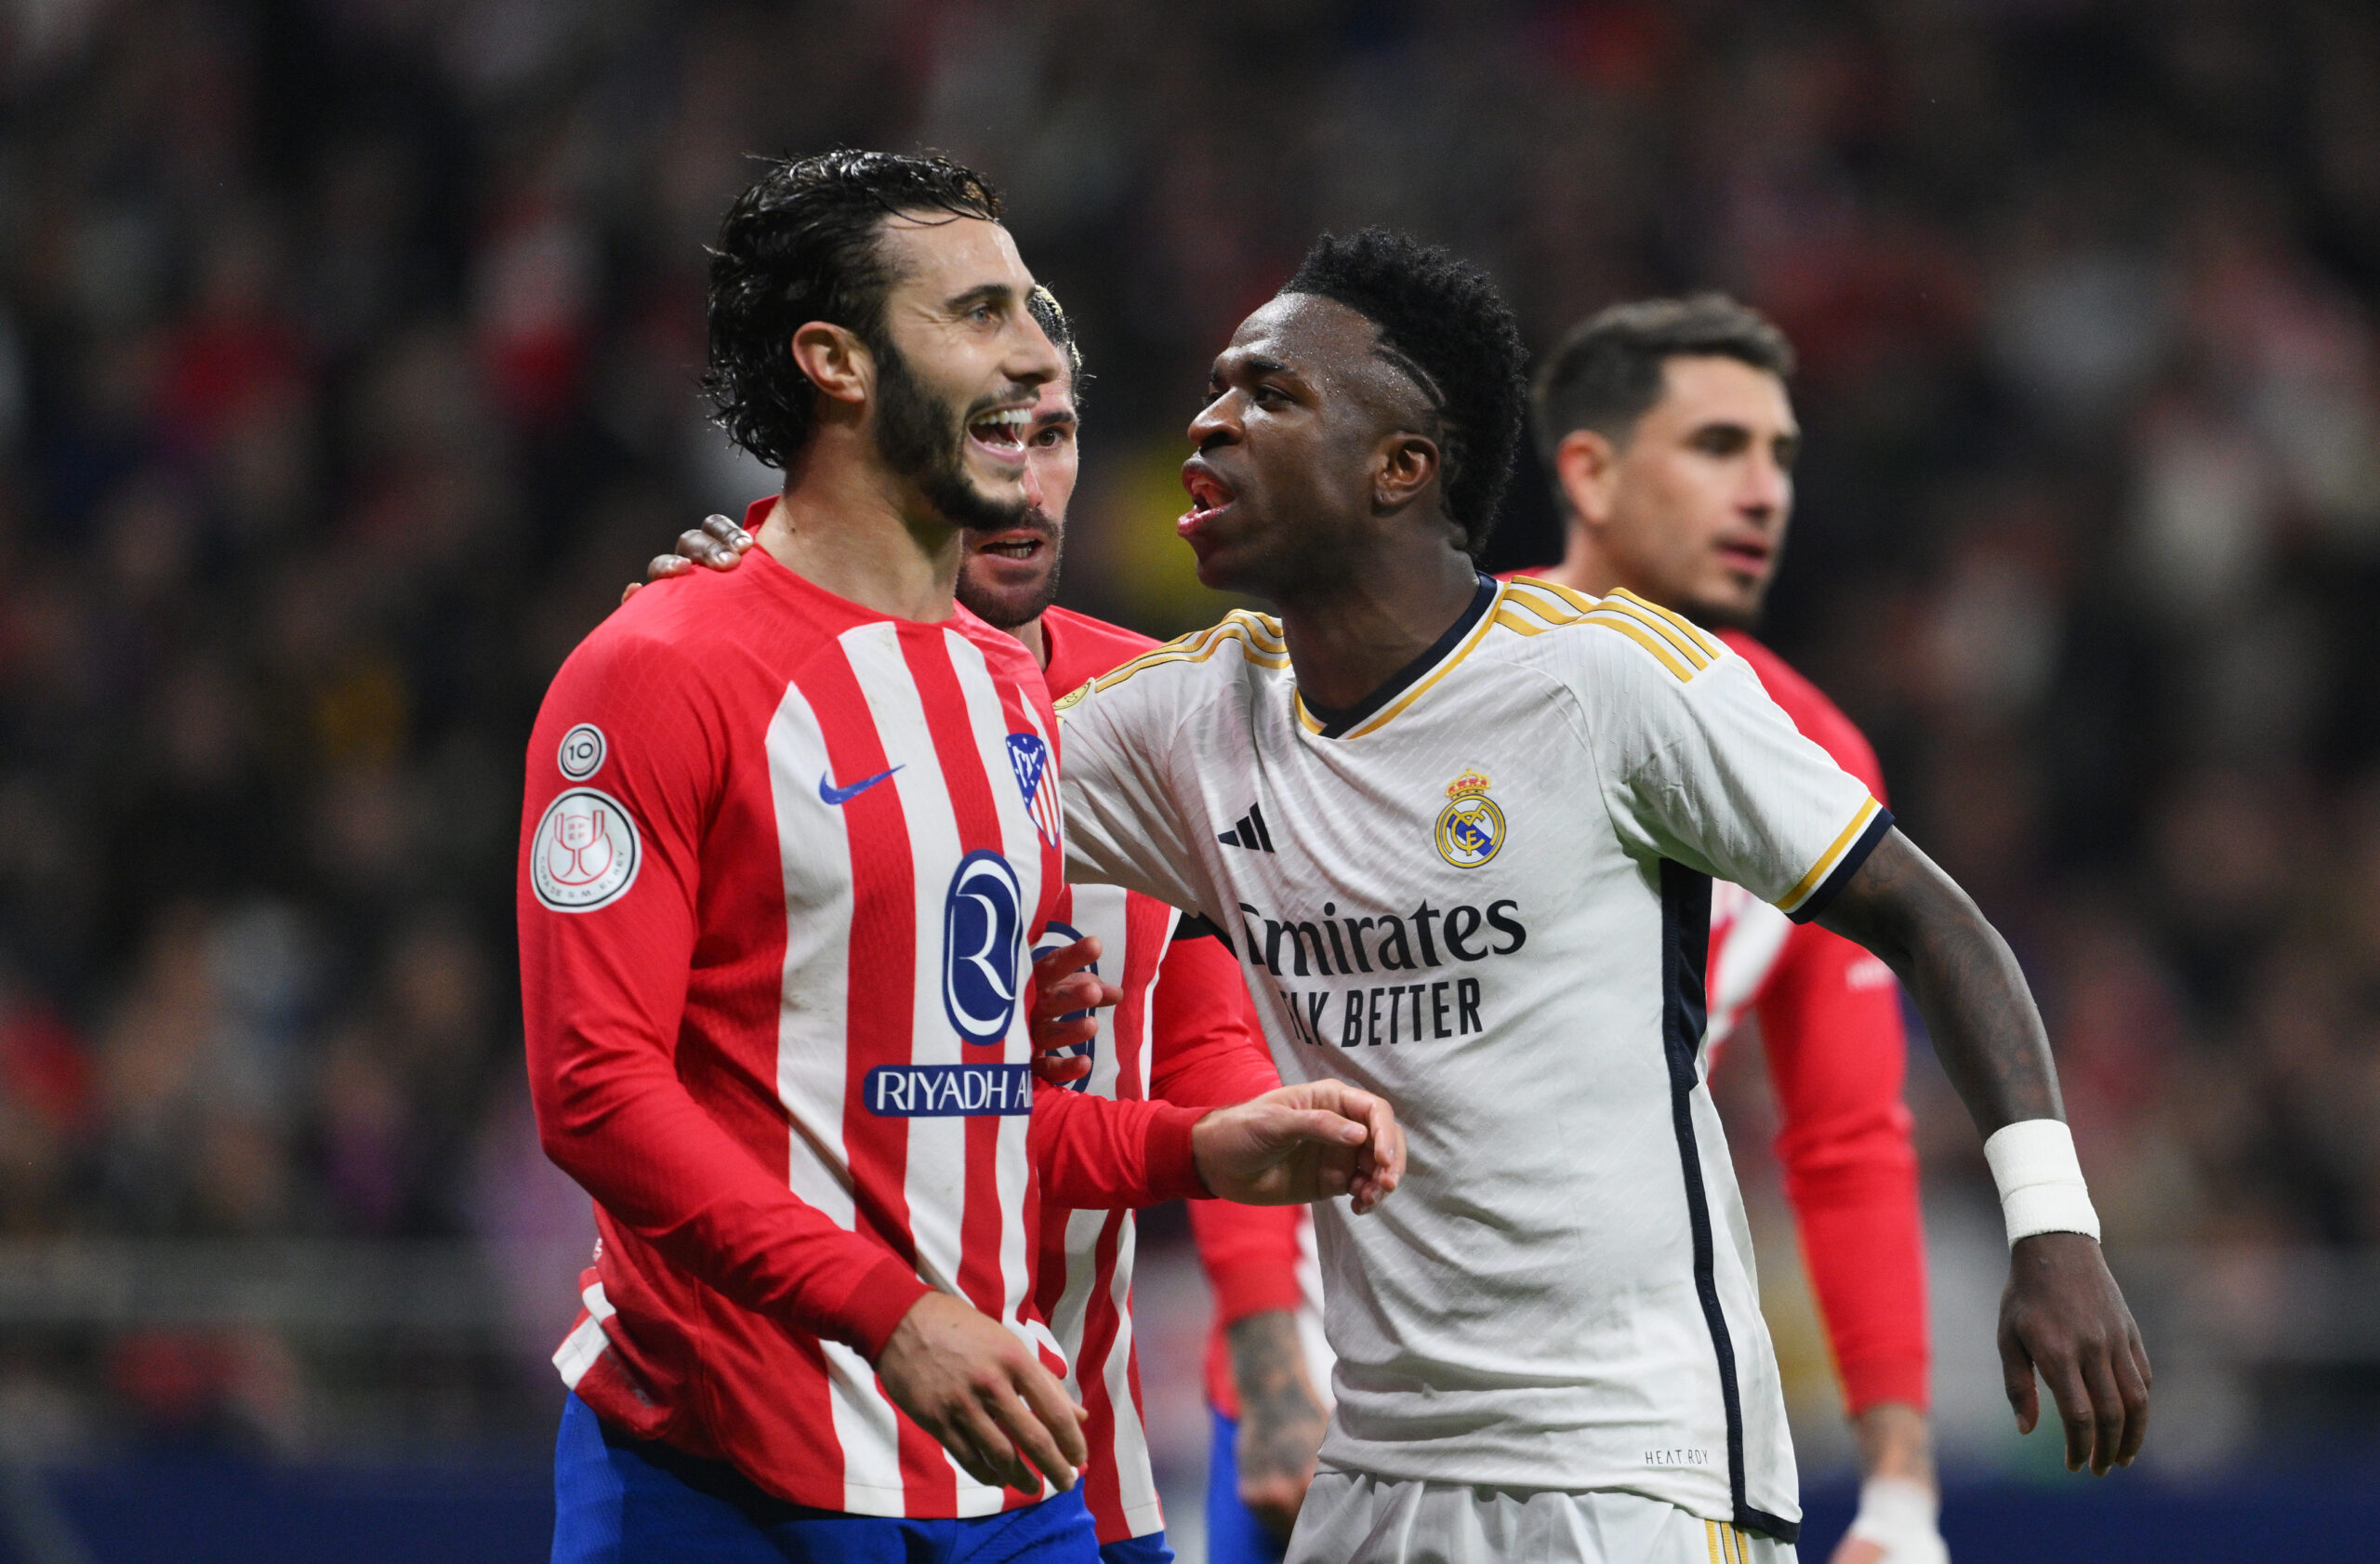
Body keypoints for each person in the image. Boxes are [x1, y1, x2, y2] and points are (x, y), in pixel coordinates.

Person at [1051, 228, 2149, 1563]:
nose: (1211, 420)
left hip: (1630, 1468)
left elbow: (1936, 921)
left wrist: (2054, 1227)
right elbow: (918, 790)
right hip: (1376, 1471)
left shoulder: (1604, 681)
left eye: (1270, 393)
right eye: (1221, 385)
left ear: (1402, 467)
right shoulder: (1193, 720)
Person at [521, 151, 1402, 1564]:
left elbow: (966, 1113)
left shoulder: (1012, 697)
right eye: (980, 314)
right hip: (722, 1467)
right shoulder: (655, 667)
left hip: (1000, 1466)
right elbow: (594, 1095)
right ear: (836, 363)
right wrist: (893, 1315)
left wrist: (1196, 1144)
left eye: (1037, 321)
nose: (1035, 353)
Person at [1508, 295, 1942, 1564]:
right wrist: (1270, 1348)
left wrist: (1902, 1486)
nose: (1765, 491)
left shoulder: (1817, 760)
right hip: (1359, 1372)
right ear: (1588, 471)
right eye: (1718, 447)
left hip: (1639, 1401)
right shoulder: (1421, 676)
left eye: (1782, 455)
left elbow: (1849, 1138)